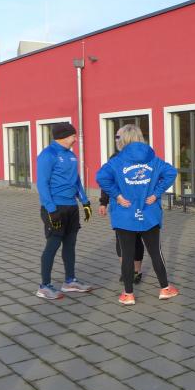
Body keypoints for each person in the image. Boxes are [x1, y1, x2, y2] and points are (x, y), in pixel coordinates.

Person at [96, 124, 179, 305]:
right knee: (155, 252)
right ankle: (165, 288)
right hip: (149, 214)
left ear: (123, 140)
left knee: (127, 255)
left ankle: (128, 294)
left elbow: (101, 177)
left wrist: (117, 196)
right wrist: (156, 193)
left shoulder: (116, 161)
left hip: (124, 215)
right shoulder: (152, 159)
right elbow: (171, 172)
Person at [35, 122, 93, 299]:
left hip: (71, 207)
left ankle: (70, 281)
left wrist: (85, 201)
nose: (76, 139)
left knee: (70, 244)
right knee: (52, 245)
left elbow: (76, 180)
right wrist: (51, 209)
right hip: (55, 207)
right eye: (73, 135)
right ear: (64, 136)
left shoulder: (71, 155)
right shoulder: (48, 154)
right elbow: (42, 184)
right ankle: (44, 286)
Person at [100, 133, 145, 284]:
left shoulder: (144, 158)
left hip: (138, 205)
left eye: (119, 137)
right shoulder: (114, 158)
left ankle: (137, 271)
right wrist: (103, 202)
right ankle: (126, 270)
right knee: (120, 239)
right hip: (119, 205)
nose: (117, 140)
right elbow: (107, 181)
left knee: (137, 238)